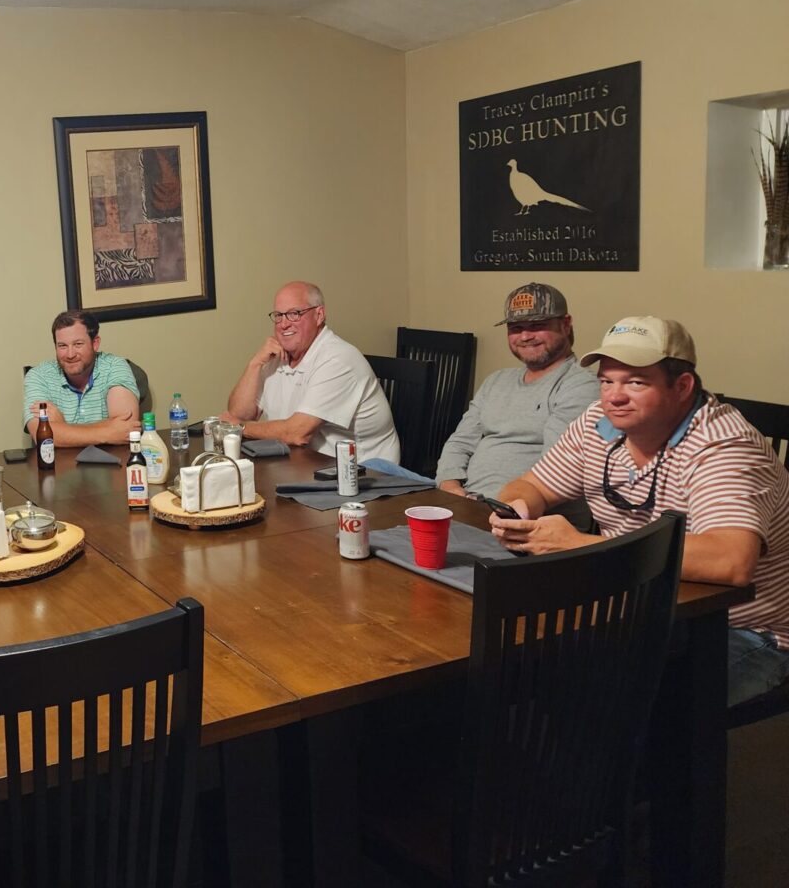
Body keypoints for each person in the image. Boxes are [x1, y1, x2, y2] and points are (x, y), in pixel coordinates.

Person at [491, 317, 789, 707]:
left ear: (683, 386)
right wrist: (519, 509)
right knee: (521, 668)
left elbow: (730, 560)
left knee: (615, 708)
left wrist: (580, 544)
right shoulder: (598, 425)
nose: (614, 396)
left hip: (744, 629)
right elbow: (531, 484)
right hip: (641, 609)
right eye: (606, 381)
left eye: (635, 382)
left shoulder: (724, 446)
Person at [436, 282, 599, 497]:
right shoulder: (496, 381)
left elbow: (558, 471)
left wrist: (499, 508)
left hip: (523, 514)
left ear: (565, 324)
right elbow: (460, 442)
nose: (525, 336)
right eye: (516, 328)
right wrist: (450, 488)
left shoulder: (580, 386)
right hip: (467, 501)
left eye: (537, 325)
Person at [223, 280, 399, 462]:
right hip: (305, 466)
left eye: (294, 314)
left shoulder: (338, 359)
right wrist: (255, 364)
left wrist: (240, 427)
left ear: (319, 315)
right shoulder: (276, 356)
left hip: (363, 473)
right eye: (278, 315)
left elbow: (297, 433)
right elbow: (238, 414)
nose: (283, 324)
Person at [21, 309, 140, 448]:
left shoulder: (115, 366)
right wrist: (108, 433)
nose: (70, 354)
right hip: (59, 467)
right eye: (62, 346)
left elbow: (127, 428)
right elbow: (40, 435)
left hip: (112, 466)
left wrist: (62, 427)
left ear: (95, 343)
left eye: (78, 344)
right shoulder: (38, 376)